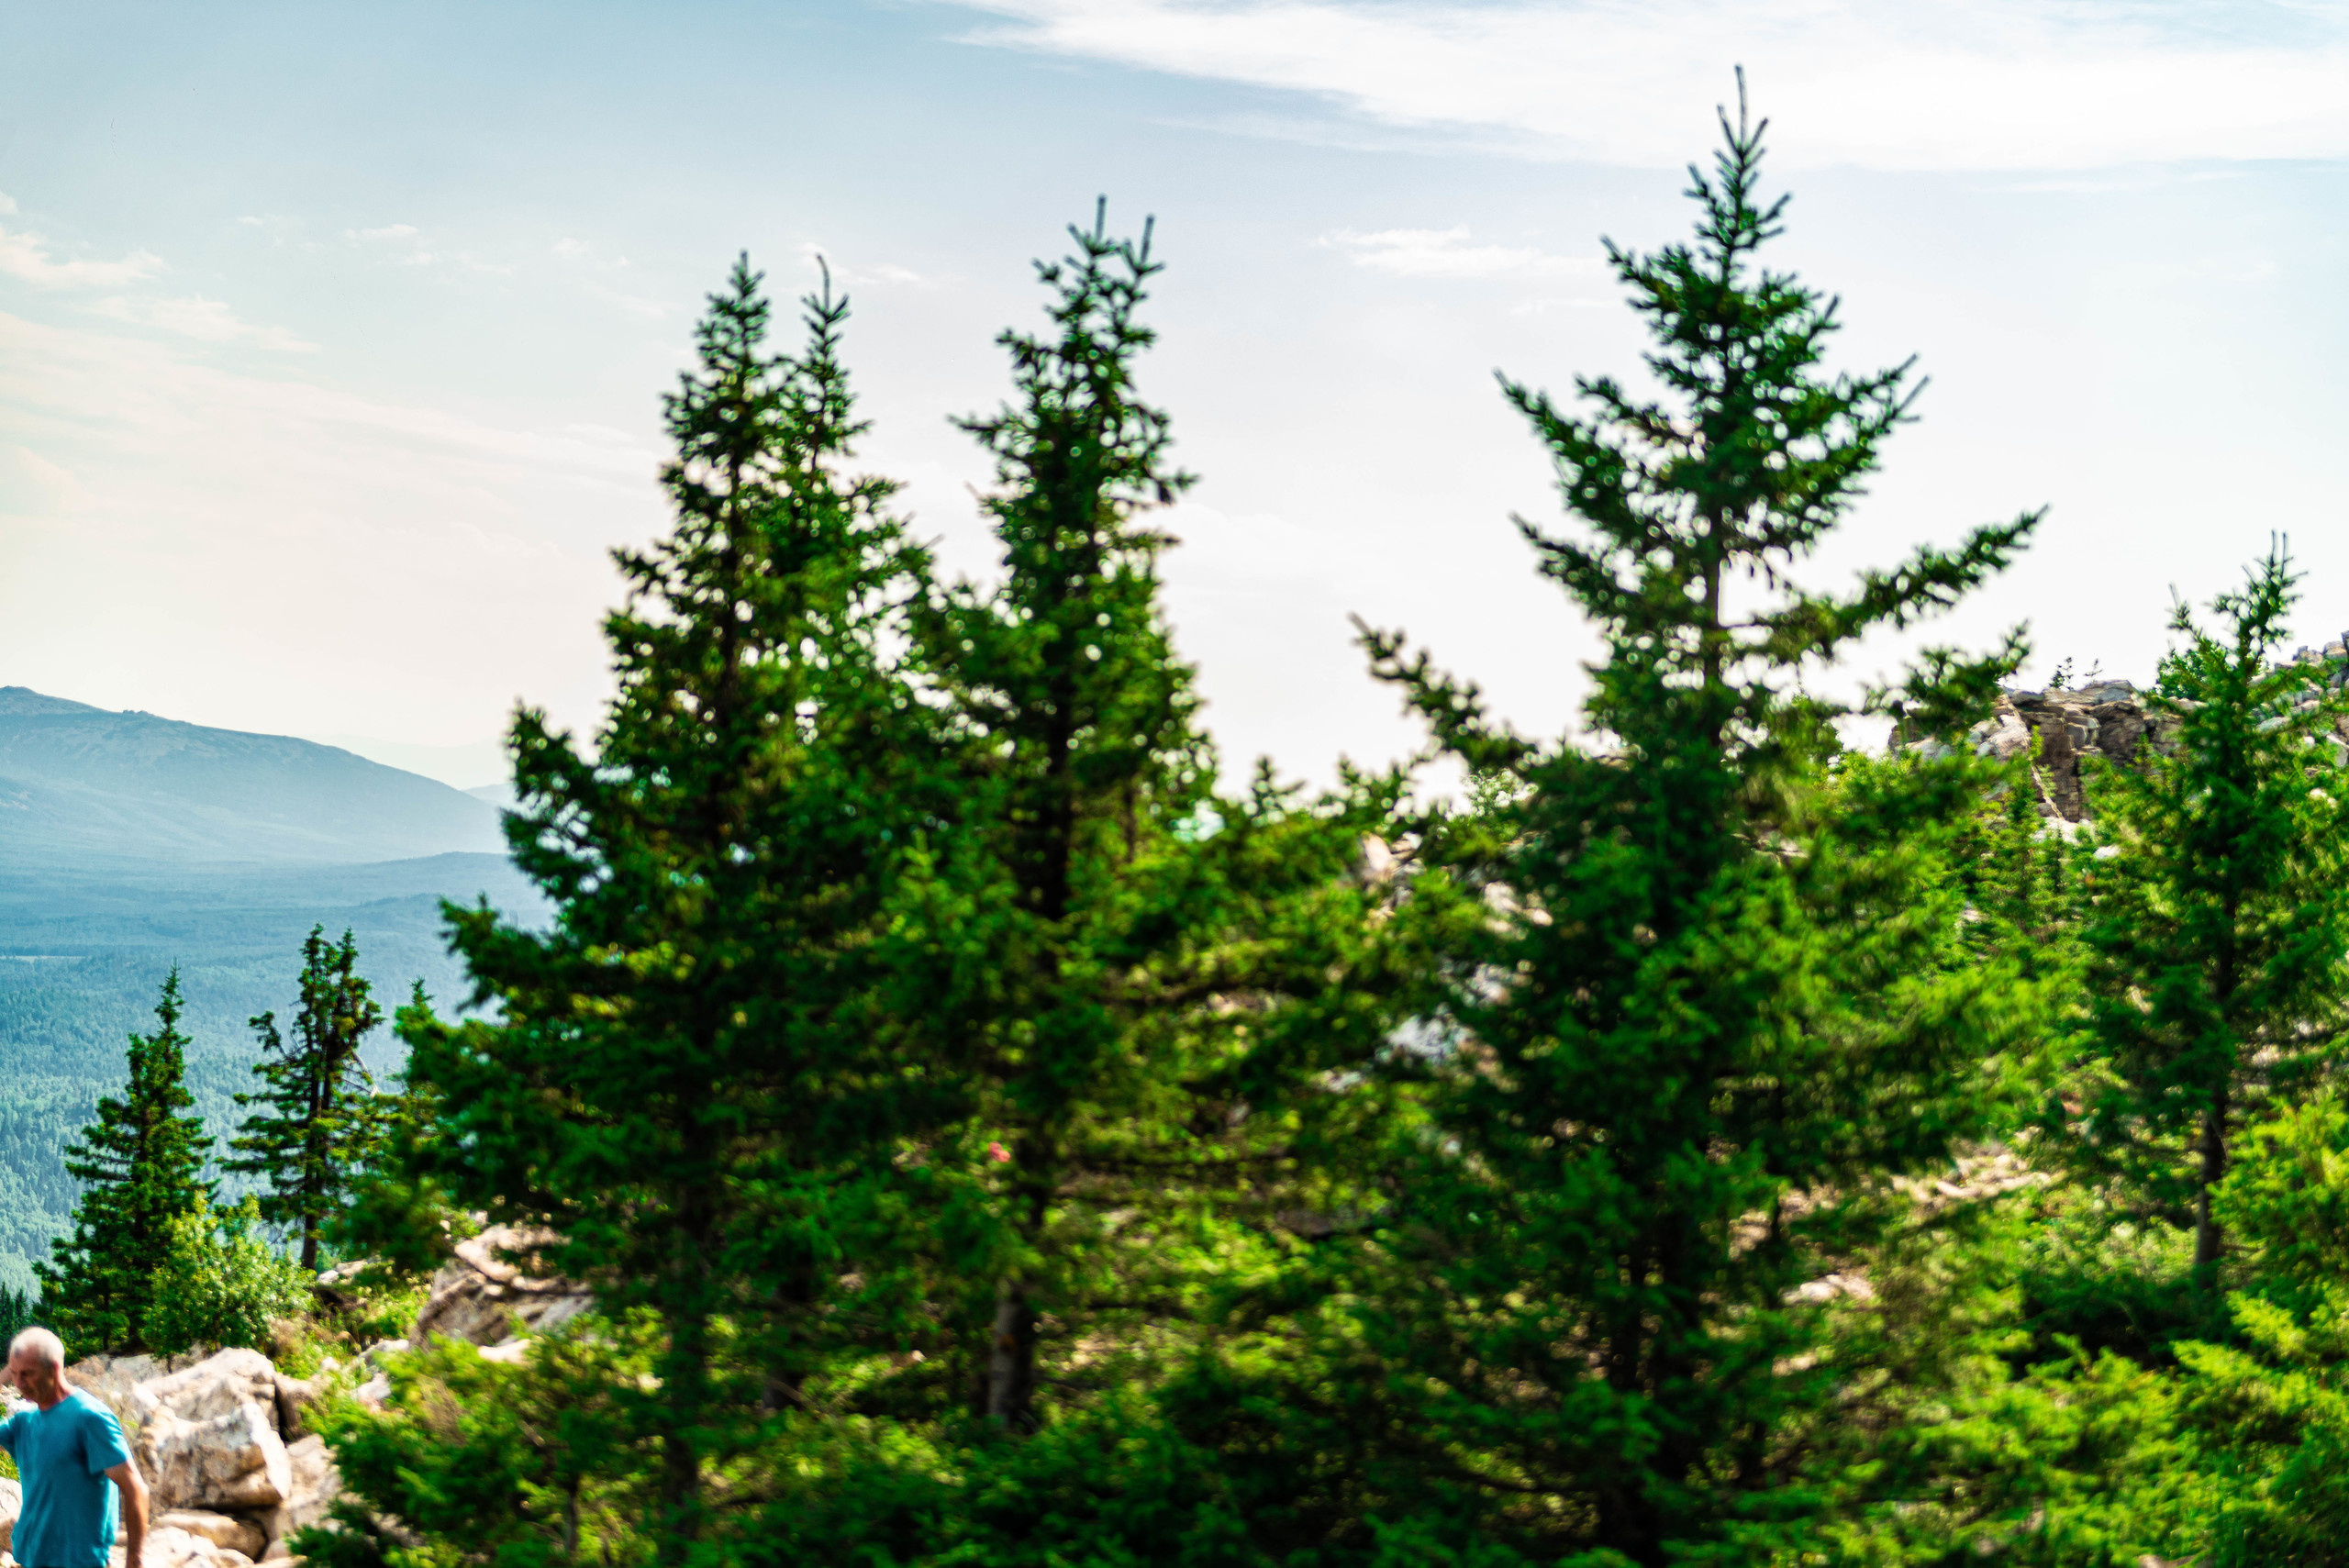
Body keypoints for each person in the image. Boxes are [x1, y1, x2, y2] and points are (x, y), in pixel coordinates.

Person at [0, 1328, 145, 1568]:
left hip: (81, 1561)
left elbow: (135, 1489)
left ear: (55, 1369)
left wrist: (134, 1559)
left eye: (27, 1374)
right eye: (14, 1373)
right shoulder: (23, 1423)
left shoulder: (89, 1417)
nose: (18, 1383)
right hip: (32, 1557)